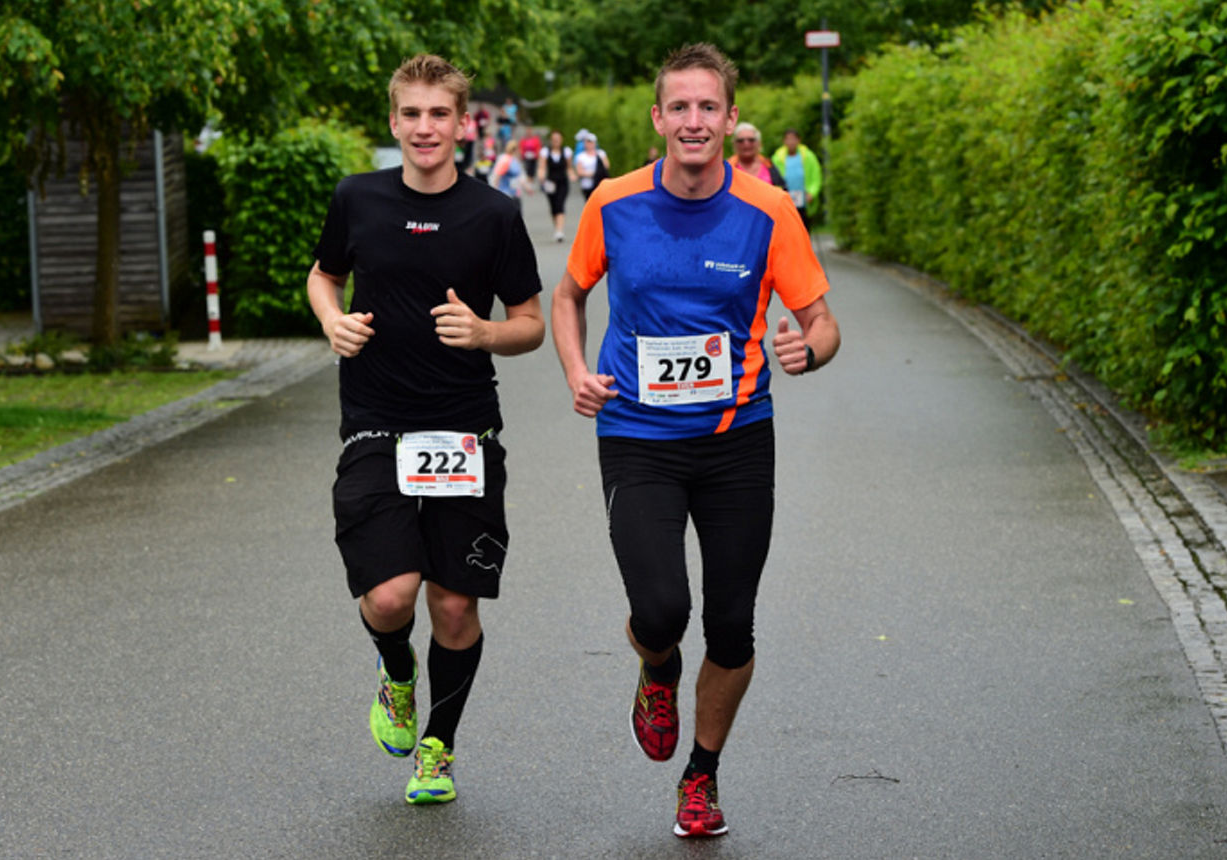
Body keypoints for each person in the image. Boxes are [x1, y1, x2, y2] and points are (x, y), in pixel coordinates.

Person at [550, 42, 840, 839]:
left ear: (731, 119)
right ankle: (656, 669)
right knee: (661, 607)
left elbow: (823, 320)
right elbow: (569, 296)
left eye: (708, 106)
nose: (694, 120)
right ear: (658, 118)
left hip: (737, 440)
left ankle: (701, 777)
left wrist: (807, 349)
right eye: (679, 106)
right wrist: (577, 369)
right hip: (637, 434)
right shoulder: (612, 203)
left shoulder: (768, 211)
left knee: (734, 623)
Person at [306, 53, 545, 807]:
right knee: (389, 598)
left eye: (439, 113)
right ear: (393, 122)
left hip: (464, 428)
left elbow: (532, 325)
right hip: (375, 422)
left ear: (463, 122)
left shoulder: (495, 215)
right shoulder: (358, 199)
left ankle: (437, 748)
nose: (424, 127)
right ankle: (396, 673)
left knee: (452, 605)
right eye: (410, 114)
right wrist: (332, 321)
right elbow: (323, 274)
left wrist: (484, 334)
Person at [770, 128, 821, 231]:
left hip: (803, 200)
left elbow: (816, 175)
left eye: (793, 139)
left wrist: (812, 192)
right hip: (785, 199)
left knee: (803, 228)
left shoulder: (808, 156)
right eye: (788, 139)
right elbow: (773, 178)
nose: (791, 142)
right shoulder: (777, 158)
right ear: (784, 141)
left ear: (799, 140)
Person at [537, 129, 575, 242]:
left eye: (558, 139)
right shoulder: (545, 152)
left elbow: (569, 167)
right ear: (551, 140)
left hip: (563, 182)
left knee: (560, 204)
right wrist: (541, 176)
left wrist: (572, 175)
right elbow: (542, 167)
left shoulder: (566, 152)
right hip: (550, 183)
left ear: (561, 140)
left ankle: (559, 230)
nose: (556, 141)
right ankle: (557, 227)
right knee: (553, 207)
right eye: (554, 139)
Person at [727, 122, 784, 190]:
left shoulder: (769, 165)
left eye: (751, 140)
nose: (746, 143)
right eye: (741, 140)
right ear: (734, 144)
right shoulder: (725, 169)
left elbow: (783, 191)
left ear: (759, 143)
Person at [492, 139, 529, 207]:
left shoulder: (514, 160)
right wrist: (495, 191)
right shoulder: (506, 160)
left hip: (515, 193)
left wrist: (527, 188)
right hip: (506, 193)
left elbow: (519, 177)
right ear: (515, 149)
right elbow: (498, 176)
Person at [573, 132, 609, 201]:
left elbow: (606, 166)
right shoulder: (581, 156)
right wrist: (594, 173)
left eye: (591, 142)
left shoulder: (601, 153)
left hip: (599, 184)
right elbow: (580, 171)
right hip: (587, 185)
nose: (589, 144)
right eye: (587, 142)